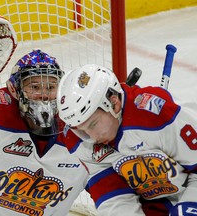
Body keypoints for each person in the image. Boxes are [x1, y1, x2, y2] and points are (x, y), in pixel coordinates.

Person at [0, 10, 166, 216]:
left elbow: (115, 188)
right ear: (14, 90)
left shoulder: (83, 130)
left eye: (51, 87)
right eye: (34, 86)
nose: (44, 95)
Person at [57, 63, 197, 216]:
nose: (93, 137)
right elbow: (114, 197)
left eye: (94, 124)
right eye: (82, 131)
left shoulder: (158, 117)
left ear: (114, 103)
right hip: (155, 203)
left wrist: (189, 207)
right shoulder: (80, 142)